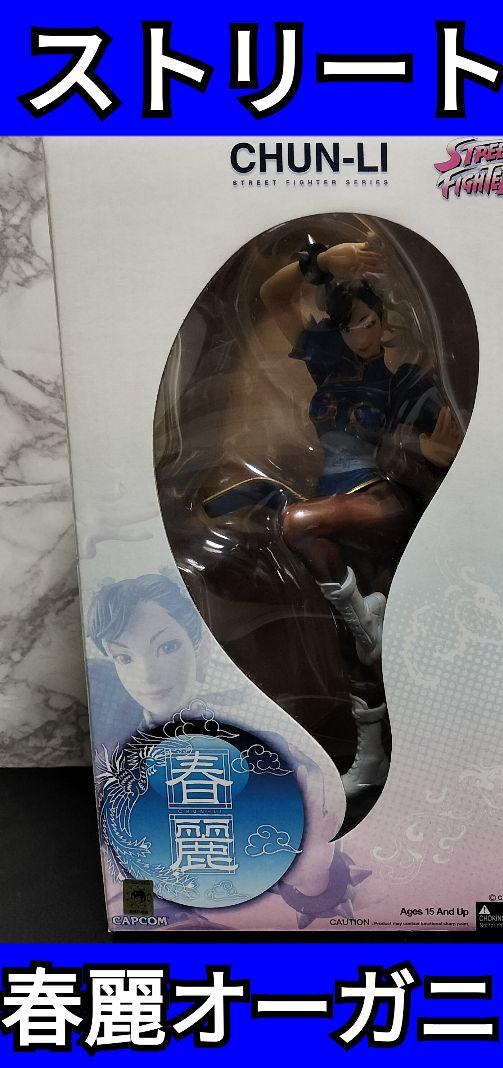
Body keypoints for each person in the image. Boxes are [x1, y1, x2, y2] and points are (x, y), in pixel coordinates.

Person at [203, 239, 463, 792]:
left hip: (382, 499)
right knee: (355, 651)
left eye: (369, 322)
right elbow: (271, 295)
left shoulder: (404, 381)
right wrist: (320, 261)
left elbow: (450, 446)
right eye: (350, 325)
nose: (361, 333)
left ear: (386, 323)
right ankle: (372, 757)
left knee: (296, 523)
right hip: (334, 497)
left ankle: (369, 630)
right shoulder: (331, 370)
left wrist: (427, 448)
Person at [86, 574, 208, 750]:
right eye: (125, 658)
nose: (148, 676)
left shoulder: (239, 721)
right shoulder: (113, 747)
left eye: (167, 647)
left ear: (199, 649)